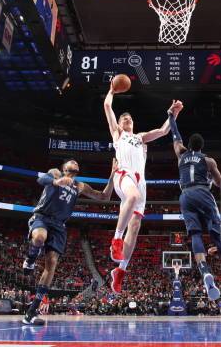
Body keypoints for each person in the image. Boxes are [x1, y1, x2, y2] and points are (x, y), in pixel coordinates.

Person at [21, 158, 117, 325]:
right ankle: (30, 260)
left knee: (51, 264)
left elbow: (104, 197)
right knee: (39, 237)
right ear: (64, 167)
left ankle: (31, 312)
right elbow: (41, 180)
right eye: (71, 161)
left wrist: (112, 176)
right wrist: (56, 181)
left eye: (77, 163)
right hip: (42, 217)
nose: (75, 163)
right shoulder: (55, 173)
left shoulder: (79, 186)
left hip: (59, 226)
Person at [167, 101, 221, 301]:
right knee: (217, 236)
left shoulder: (180, 155)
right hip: (203, 193)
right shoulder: (209, 161)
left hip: (185, 196)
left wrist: (171, 115)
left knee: (195, 235)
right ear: (202, 147)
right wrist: (210, 177)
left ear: (189, 146)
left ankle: (205, 272)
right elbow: (220, 184)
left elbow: (175, 136)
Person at [104, 86, 179, 293]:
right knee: (133, 196)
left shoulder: (140, 137)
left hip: (140, 181)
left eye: (129, 118)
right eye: (123, 118)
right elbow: (107, 105)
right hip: (123, 175)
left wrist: (172, 113)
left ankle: (120, 271)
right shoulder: (118, 134)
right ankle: (117, 238)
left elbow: (164, 131)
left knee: (135, 228)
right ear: (118, 124)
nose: (127, 119)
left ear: (133, 123)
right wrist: (112, 90)